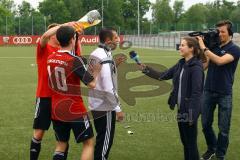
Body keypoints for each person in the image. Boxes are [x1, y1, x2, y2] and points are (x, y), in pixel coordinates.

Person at [139, 37, 206, 160]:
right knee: (185, 142)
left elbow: (197, 93)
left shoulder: (196, 67)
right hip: (181, 110)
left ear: (191, 48)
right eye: (180, 45)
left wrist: (192, 114)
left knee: (190, 144)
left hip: (189, 112)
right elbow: (163, 75)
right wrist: (146, 69)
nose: (179, 47)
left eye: (182, 45)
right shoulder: (181, 63)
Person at [30, 22, 83, 160]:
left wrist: (76, 36)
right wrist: (64, 26)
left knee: (62, 138)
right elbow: (43, 37)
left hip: (61, 99)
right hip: (45, 97)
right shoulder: (44, 48)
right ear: (52, 34)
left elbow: (79, 56)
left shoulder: (65, 50)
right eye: (55, 32)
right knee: (39, 133)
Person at [47, 25, 99, 160]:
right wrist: (96, 70)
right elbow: (92, 83)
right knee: (88, 144)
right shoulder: (75, 61)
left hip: (56, 109)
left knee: (61, 145)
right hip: (74, 109)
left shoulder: (51, 57)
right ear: (72, 40)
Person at [197, 20, 240, 160]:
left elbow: (220, 61)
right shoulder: (213, 47)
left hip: (224, 93)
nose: (219, 34)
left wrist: (204, 47)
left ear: (230, 34)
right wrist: (202, 51)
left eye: (223, 32)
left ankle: (220, 155)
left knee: (224, 128)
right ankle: (212, 148)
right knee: (205, 124)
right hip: (208, 90)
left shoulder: (235, 49)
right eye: (218, 31)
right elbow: (204, 67)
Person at [88, 27, 126, 160]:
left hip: (95, 104)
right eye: (116, 38)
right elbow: (108, 87)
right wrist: (118, 109)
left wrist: (114, 64)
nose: (118, 40)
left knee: (101, 139)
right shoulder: (104, 56)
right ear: (108, 40)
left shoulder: (96, 53)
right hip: (105, 107)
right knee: (105, 144)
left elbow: (96, 76)